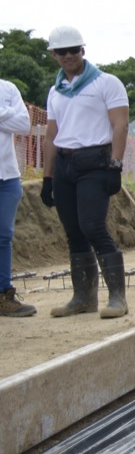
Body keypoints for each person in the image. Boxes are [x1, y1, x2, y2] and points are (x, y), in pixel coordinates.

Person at [40, 26, 131, 319]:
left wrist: (115, 165)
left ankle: (118, 297)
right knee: (74, 232)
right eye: (61, 52)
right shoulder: (56, 91)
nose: (68, 56)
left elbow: (120, 125)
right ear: (54, 55)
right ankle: (83, 297)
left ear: (83, 51)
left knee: (92, 226)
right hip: (65, 165)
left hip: (94, 162)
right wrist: (47, 176)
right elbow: (52, 134)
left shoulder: (106, 83)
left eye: (73, 50)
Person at [0, 77, 35, 317]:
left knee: (4, 237)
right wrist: (7, 113)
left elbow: (24, 124)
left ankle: (4, 295)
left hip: (8, 176)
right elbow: (16, 119)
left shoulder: (8, 88)